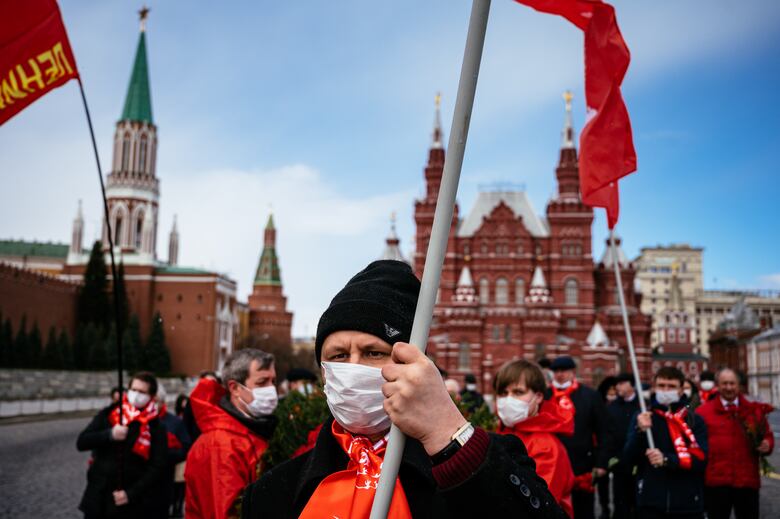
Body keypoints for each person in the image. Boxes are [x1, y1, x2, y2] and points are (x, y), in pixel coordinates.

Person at [242, 260, 568, 518]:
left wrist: (449, 435)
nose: (353, 368)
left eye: (374, 353)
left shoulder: (475, 467)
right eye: (339, 356)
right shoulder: (273, 492)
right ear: (324, 372)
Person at [184, 349, 278, 519]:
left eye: (273, 381)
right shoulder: (221, 444)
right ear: (235, 388)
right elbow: (229, 512)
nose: (271, 389)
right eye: (262, 382)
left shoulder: (253, 430)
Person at [77, 372, 167, 518]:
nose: (136, 395)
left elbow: (157, 466)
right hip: (98, 496)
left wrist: (131, 493)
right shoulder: (110, 413)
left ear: (151, 396)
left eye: (142, 392)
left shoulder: (156, 426)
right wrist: (109, 434)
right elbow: (82, 442)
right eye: (134, 390)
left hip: (130, 503)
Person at [624, 367, 707, 519]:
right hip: (651, 503)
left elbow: (701, 460)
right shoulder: (643, 417)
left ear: (681, 390)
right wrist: (640, 431)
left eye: (671, 386)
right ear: (654, 388)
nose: (666, 390)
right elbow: (628, 458)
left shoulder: (694, 420)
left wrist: (667, 460)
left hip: (687, 503)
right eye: (662, 386)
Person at [495, 359, 575, 517]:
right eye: (503, 393)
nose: (508, 399)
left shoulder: (547, 447)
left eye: (518, 392)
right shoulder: (503, 434)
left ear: (538, 397)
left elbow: (537, 504)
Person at [696, 367, 774, 519]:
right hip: (716, 482)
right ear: (717, 385)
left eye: (732, 383)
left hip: (747, 481)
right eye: (724, 383)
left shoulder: (754, 411)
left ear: (739, 385)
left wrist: (767, 444)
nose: (729, 387)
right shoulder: (703, 412)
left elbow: (767, 436)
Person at [548, 356, 612, 519]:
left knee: (583, 510)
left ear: (573, 372)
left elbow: (604, 431)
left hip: (582, 465)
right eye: (556, 371)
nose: (560, 375)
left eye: (564, 371)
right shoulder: (545, 395)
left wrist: (602, 463)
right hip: (551, 464)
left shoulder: (590, 396)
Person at [152, 384, 191, 518]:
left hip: (163, 482)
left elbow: (186, 448)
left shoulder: (174, 422)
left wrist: (164, 454)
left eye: (155, 401)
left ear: (162, 401)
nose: (151, 404)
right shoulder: (134, 419)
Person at [607, 373, 642, 519]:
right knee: (620, 502)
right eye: (617, 384)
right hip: (619, 462)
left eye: (622, 383)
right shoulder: (612, 407)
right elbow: (608, 433)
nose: (617, 387)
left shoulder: (642, 405)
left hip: (638, 463)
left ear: (631, 385)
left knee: (637, 501)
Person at [181, 370, 220, 442]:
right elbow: (186, 423)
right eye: (206, 382)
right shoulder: (192, 401)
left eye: (213, 382)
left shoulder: (220, 402)